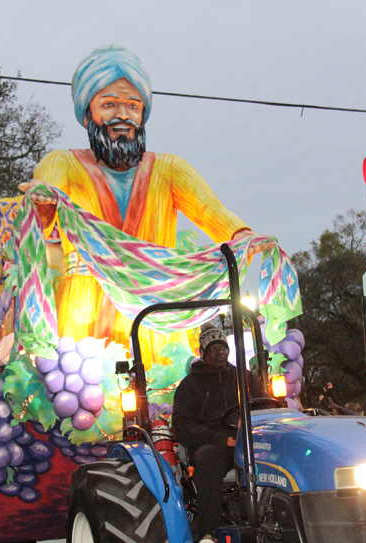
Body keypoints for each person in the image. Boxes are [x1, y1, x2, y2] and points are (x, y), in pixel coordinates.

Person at [13, 45, 254, 367]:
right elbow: (43, 210)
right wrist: (42, 204)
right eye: (109, 104)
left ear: (143, 113)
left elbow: (213, 213)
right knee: (82, 406)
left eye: (133, 105)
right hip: (84, 309)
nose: (122, 115)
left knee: (167, 395)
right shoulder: (62, 163)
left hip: (157, 311)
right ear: (87, 113)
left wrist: (244, 237)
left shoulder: (170, 168)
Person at [173, 326, 260, 543]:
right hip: (211, 445)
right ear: (203, 353)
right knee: (209, 457)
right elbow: (182, 427)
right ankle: (209, 533)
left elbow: (264, 406)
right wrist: (220, 440)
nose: (220, 352)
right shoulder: (189, 386)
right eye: (214, 348)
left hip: (247, 440)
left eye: (223, 347)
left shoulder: (246, 379)